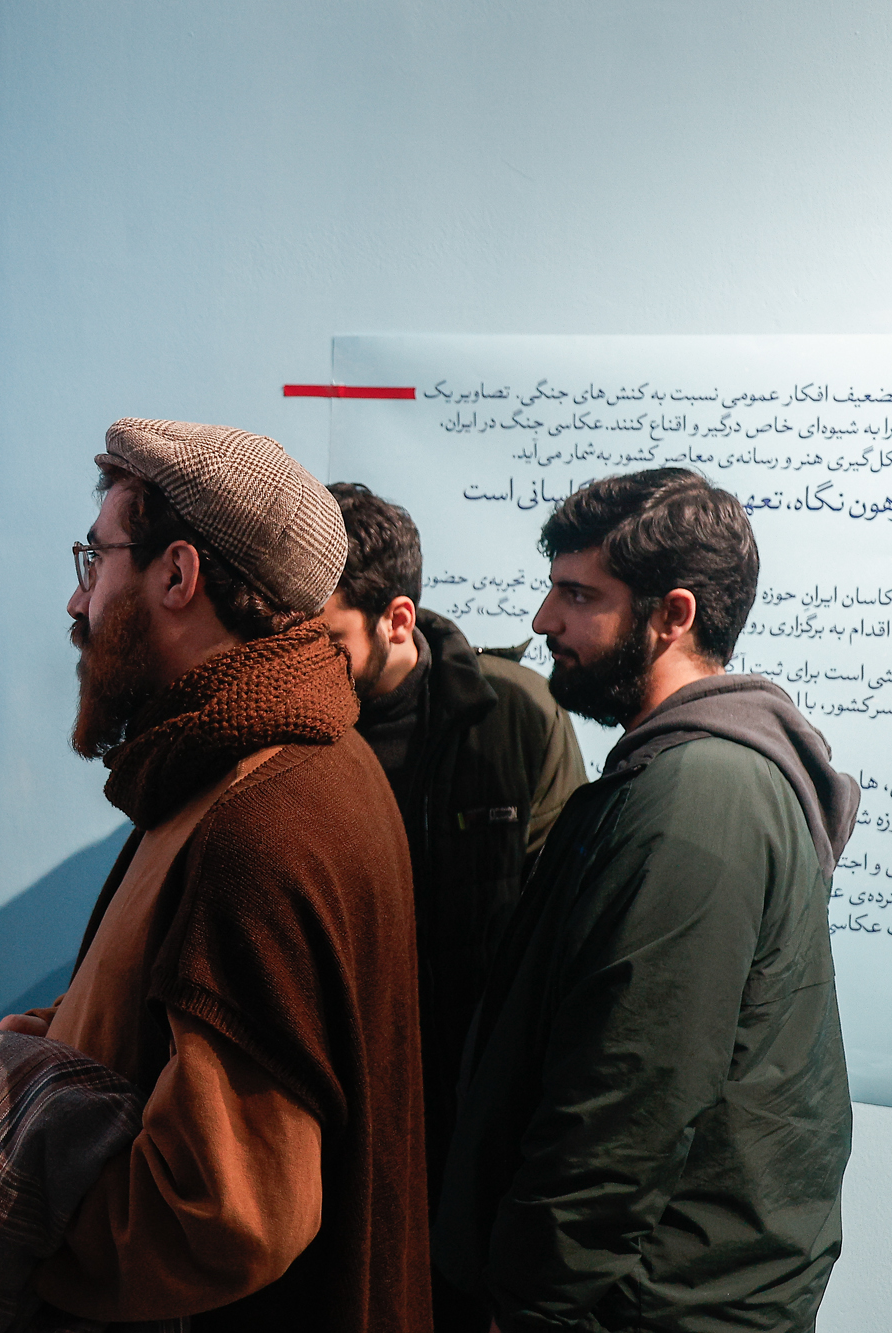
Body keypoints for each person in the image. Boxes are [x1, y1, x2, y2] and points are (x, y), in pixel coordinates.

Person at [0, 419, 430, 1330]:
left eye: (97, 559)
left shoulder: (261, 821)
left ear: (177, 574)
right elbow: (147, 1010)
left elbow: (221, 1216)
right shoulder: (271, 761)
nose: (77, 601)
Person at [437, 469, 856, 1333]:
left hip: (650, 1306)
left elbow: (626, 1103)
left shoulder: (699, 798)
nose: (543, 621)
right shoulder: (670, 774)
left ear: (673, 615)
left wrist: (531, 1304)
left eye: (578, 595)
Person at [320, 485, 587, 1331]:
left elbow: (560, 946)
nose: (303, 667)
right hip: (338, 1131)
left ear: (397, 619)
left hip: (474, 1141)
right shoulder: (295, 732)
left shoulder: (517, 716)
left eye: (326, 643)